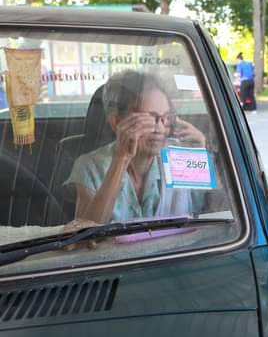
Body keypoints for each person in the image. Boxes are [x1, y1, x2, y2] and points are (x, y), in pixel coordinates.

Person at [66, 70, 207, 223]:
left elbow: (203, 211)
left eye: (166, 118)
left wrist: (201, 156)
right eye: (149, 119)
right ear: (116, 121)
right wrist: (121, 159)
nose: (160, 129)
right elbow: (87, 229)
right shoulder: (90, 166)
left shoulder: (178, 157)